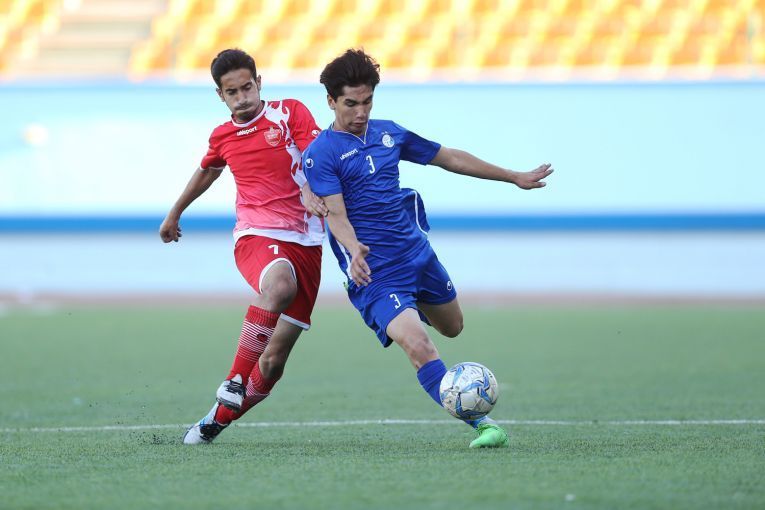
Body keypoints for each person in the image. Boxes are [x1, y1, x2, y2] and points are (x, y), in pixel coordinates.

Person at [303, 49, 553, 449]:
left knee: (453, 327)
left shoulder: (389, 134)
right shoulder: (321, 154)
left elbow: (449, 158)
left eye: (368, 101)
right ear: (331, 101)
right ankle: (484, 425)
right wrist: (354, 251)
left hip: (416, 254)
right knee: (418, 344)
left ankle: (408, 310)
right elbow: (336, 214)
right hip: (375, 273)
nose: (361, 112)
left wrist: (513, 176)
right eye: (351, 103)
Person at [159, 48, 328, 444]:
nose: (242, 98)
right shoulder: (223, 136)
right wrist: (174, 213)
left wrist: (312, 188)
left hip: (308, 242)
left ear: (259, 83)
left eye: (247, 87)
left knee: (272, 362)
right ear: (221, 95)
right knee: (280, 286)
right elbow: (208, 171)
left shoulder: (289, 113)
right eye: (232, 92)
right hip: (257, 234)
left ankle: (211, 423)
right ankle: (234, 379)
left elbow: (317, 156)